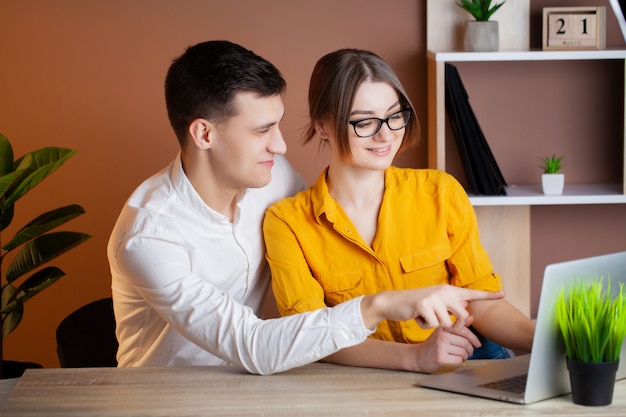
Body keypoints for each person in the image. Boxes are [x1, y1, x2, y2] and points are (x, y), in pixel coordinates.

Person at [107, 40, 504, 375]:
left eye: (277, 125)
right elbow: (253, 345)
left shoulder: (271, 175)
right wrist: (382, 305)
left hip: (263, 381)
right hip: (169, 396)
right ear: (204, 133)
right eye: (262, 131)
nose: (280, 146)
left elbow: (321, 226)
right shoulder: (150, 237)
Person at [263, 48, 536, 374]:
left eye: (395, 116)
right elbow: (307, 334)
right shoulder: (287, 222)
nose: (386, 134)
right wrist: (415, 357)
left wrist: (547, 340)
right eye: (365, 121)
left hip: (466, 359)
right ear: (322, 126)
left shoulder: (440, 191)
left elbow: (481, 301)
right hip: (368, 377)